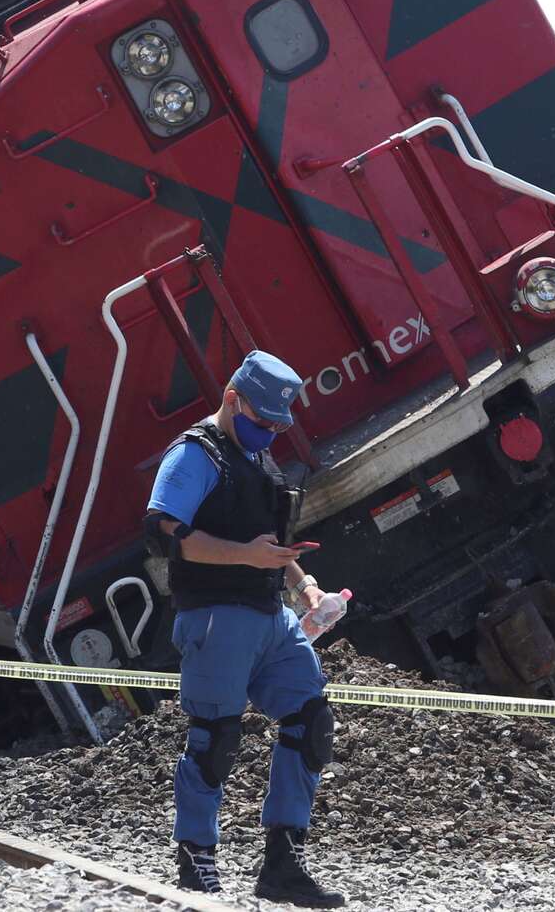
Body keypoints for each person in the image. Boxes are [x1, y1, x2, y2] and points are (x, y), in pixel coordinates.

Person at [145, 350, 344, 906]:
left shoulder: (256, 458)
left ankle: (283, 865)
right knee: (215, 739)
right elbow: (169, 535)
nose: (270, 434)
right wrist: (247, 559)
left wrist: (306, 589)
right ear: (232, 399)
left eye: (280, 426)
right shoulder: (193, 455)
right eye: (262, 423)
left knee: (311, 722)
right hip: (214, 616)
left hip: (269, 615)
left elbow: (270, 547)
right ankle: (195, 863)